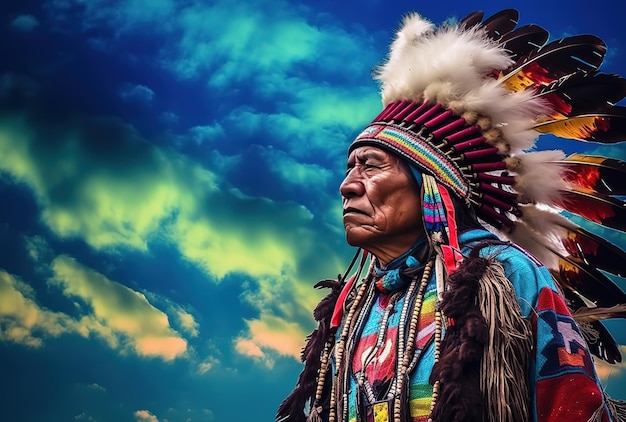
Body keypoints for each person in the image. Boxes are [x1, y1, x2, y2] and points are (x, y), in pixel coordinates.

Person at [277, 8, 626, 422]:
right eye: (350, 168)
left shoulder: (509, 276)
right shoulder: (349, 308)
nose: (348, 185)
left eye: (370, 166)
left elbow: (571, 408)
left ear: (431, 184)